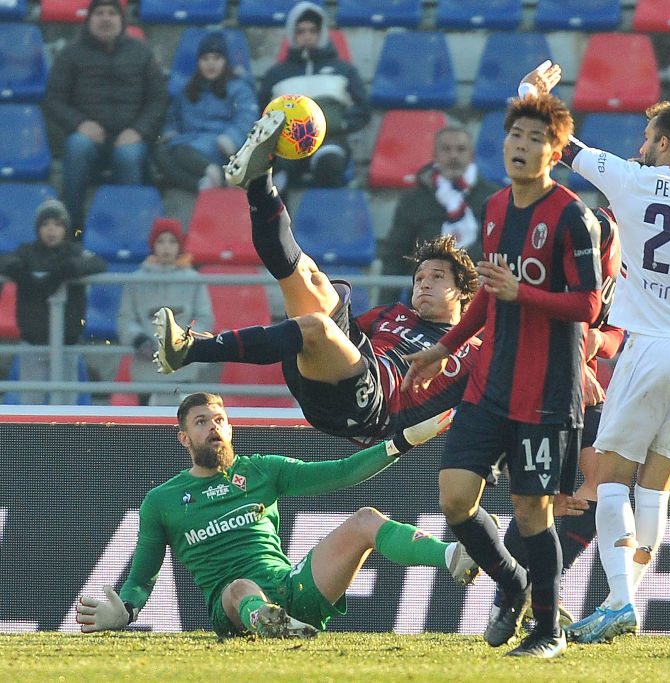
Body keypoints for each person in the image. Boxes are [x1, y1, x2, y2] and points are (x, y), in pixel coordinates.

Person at [517, 62, 670, 644]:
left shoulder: (633, 179)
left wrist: (532, 96)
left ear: (664, 143)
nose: (640, 145)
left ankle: (620, 602)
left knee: (609, 478)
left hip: (649, 348)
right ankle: (624, 601)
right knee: (655, 487)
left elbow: (563, 148)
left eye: (648, 137)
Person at [403, 93, 604, 658]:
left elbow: (589, 305)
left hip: (545, 394)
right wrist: (444, 346)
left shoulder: (573, 216)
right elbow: (490, 297)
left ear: (555, 152)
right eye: (516, 135)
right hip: (489, 384)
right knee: (455, 499)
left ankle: (547, 630)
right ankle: (512, 582)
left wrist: (525, 293)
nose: (523, 145)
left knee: (532, 512)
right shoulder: (493, 207)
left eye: (537, 138)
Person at [153, 110, 480, 440]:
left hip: (373, 411)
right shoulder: (393, 314)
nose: (423, 283)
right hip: (337, 377)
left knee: (318, 326)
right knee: (314, 281)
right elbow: (343, 337)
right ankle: (259, 181)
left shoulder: (476, 351)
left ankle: (192, 351)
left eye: (437, 277)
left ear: (463, 291)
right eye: (419, 277)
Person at [75, 392, 478, 638]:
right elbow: (142, 577)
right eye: (201, 422)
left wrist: (403, 441)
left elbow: (344, 472)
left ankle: (452, 555)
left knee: (365, 520)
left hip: (291, 588)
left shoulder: (262, 470)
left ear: (231, 429)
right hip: (233, 607)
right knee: (239, 587)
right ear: (184, 438)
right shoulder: (161, 500)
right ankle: (270, 625)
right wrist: (126, 610)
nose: (214, 427)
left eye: (220, 420)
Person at [500, 206, 624, 612]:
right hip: (533, 377)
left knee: (604, 480)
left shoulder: (635, 259)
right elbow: (534, 312)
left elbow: (616, 333)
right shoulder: (580, 235)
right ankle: (519, 587)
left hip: (580, 387)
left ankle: (539, 589)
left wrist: (595, 343)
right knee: (537, 496)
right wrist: (573, 361)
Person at [43, 0, 167, 231]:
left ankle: (129, 229)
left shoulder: (142, 53)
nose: (106, 18)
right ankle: (72, 228)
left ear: (122, 20)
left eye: (112, 13)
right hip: (88, 139)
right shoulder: (70, 54)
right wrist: (80, 124)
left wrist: (138, 130)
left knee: (128, 156)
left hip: (131, 139)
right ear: (89, 19)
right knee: (77, 146)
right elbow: (53, 100)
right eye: (99, 13)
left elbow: (158, 100)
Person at [0, 199, 107, 404]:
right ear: (37, 228)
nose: (51, 230)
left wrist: (69, 269)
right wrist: (20, 273)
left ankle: (64, 427)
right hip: (34, 341)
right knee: (31, 400)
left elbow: (98, 263)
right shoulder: (26, 252)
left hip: (67, 342)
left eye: (57, 225)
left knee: (66, 401)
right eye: (46, 224)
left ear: (65, 229)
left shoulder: (74, 252)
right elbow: (5, 260)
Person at [378, 127, 502, 301]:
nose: (453, 156)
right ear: (435, 155)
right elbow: (395, 255)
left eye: (461, 149)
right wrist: (386, 306)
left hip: (482, 298)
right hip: (426, 299)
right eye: (446, 149)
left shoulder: (494, 197)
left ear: (472, 155)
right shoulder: (413, 200)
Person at [258, 1, 370, 192]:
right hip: (289, 143)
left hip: (330, 140)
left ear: (321, 33)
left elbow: (363, 108)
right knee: (272, 171)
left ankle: (327, 211)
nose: (307, 36)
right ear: (292, 34)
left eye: (312, 31)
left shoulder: (343, 70)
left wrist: (343, 124)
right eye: (301, 31)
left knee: (329, 164)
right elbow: (261, 112)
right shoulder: (276, 75)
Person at [117, 217, 213, 406]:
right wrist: (139, 340)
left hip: (183, 367)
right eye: (160, 241)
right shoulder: (136, 280)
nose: (166, 247)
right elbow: (126, 318)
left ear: (179, 246)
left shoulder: (194, 279)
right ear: (153, 245)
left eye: (172, 242)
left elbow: (204, 317)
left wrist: (186, 340)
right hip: (147, 369)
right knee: (149, 421)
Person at [153, 30, 259, 192]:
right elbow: (172, 117)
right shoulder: (188, 89)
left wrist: (231, 138)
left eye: (216, 58)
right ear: (198, 63)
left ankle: (211, 170)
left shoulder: (239, 88)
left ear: (225, 61)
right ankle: (203, 184)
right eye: (205, 59)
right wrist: (170, 132)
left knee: (180, 151)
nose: (211, 64)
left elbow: (247, 117)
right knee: (160, 153)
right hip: (189, 143)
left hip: (220, 146)